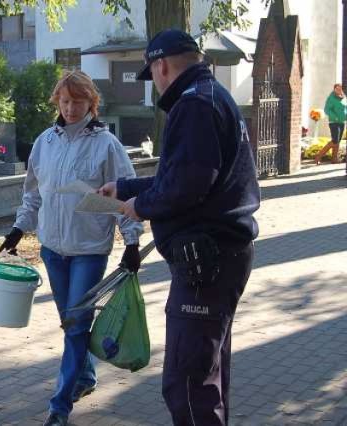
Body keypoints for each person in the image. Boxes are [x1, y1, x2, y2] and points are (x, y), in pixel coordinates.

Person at [100, 29, 260, 425]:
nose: (155, 81)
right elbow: (182, 173)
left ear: (162, 65)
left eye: (153, 72)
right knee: (207, 375)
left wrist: (141, 206)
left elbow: (188, 185)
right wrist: (125, 187)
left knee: (188, 384)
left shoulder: (194, 106)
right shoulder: (208, 97)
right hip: (219, 255)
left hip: (207, 258)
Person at [0, 70, 144, 426]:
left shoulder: (106, 145)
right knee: (71, 324)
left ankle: (59, 406)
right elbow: (33, 193)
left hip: (89, 249)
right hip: (53, 249)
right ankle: (85, 376)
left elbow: (125, 194)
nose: (71, 108)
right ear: (57, 102)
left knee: (77, 325)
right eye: (64, 101)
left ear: (91, 103)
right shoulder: (45, 142)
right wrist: (18, 230)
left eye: (78, 101)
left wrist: (132, 241)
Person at [315, 83, 347, 165]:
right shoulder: (331, 98)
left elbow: (345, 109)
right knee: (335, 140)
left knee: (338, 141)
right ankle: (318, 156)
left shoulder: (343, 98)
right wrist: (335, 117)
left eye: (340, 89)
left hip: (342, 122)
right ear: (334, 89)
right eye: (337, 89)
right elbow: (326, 110)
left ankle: (334, 159)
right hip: (334, 122)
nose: (339, 90)